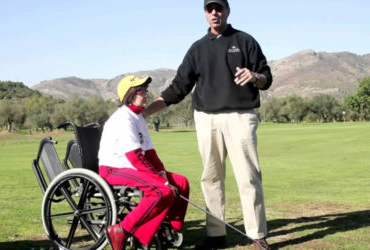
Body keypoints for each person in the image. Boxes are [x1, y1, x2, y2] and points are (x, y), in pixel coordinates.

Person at [143, 0, 272, 249]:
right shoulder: (197, 49)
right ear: (204, 13)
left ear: (227, 11)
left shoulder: (245, 41)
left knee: (248, 177)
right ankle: (216, 235)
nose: (215, 13)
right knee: (211, 177)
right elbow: (178, 88)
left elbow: (266, 78)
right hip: (206, 119)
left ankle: (257, 236)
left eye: (219, 8)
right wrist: (143, 113)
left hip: (240, 116)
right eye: (209, 9)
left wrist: (254, 76)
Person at [98, 75, 189, 250]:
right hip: (114, 169)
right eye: (141, 91)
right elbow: (135, 157)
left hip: (131, 167)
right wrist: (162, 181)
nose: (146, 94)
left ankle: (167, 230)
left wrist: (161, 172)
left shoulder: (138, 116)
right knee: (161, 191)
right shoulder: (123, 119)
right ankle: (122, 230)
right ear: (130, 94)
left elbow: (150, 153)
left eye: (146, 90)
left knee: (181, 182)